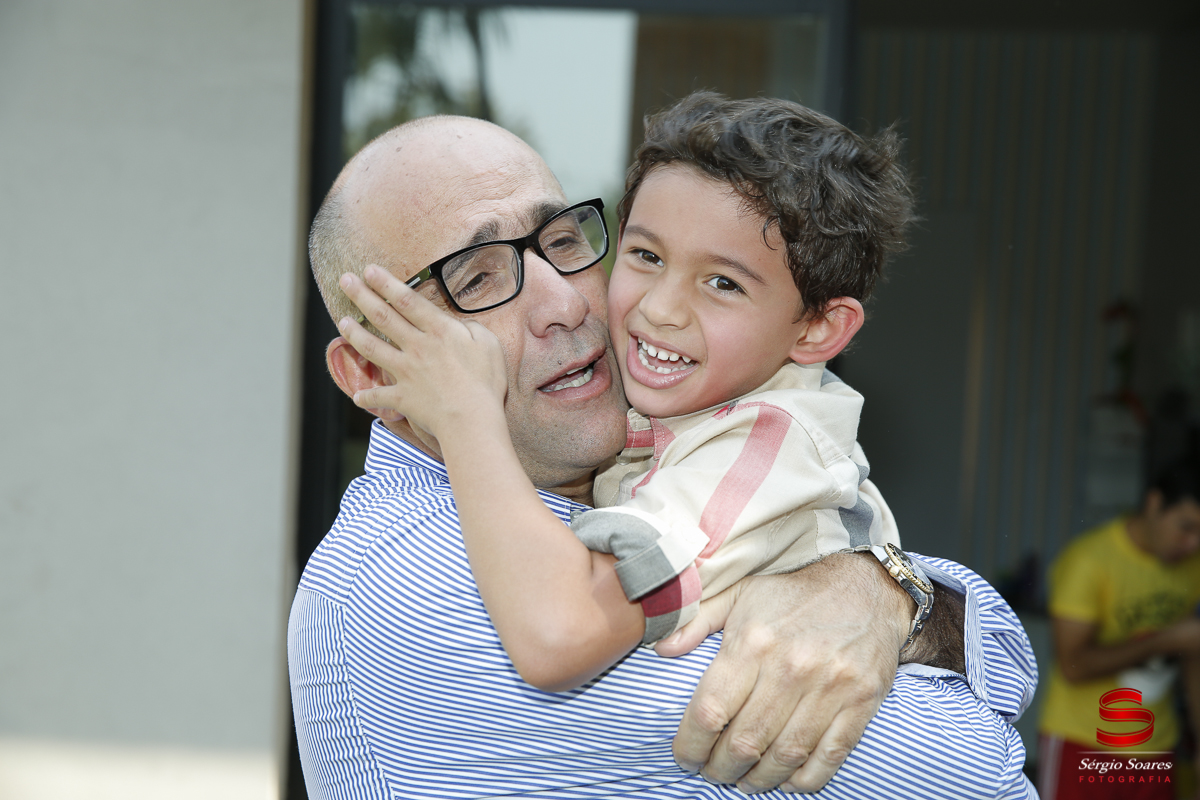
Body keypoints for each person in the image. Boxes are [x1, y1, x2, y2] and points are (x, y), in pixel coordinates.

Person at [290, 112, 1037, 799]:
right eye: (476, 276)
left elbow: (1003, 658)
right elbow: (970, 758)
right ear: (376, 373)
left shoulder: (702, 447)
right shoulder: (423, 584)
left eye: (561, 241)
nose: (568, 302)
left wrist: (881, 589)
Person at [340, 93, 914, 693]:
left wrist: (468, 419)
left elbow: (562, 637)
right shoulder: (393, 572)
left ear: (818, 327)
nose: (659, 309)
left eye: (723, 282)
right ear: (371, 370)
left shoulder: (760, 443)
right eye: (645, 255)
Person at [1038, 456, 1200, 800]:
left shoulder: (1192, 566)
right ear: (1154, 503)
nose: (1192, 543)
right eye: (1186, 527)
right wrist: (1163, 641)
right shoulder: (1089, 561)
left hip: (1156, 746)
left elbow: (1193, 657)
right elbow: (1073, 666)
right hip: (1081, 742)